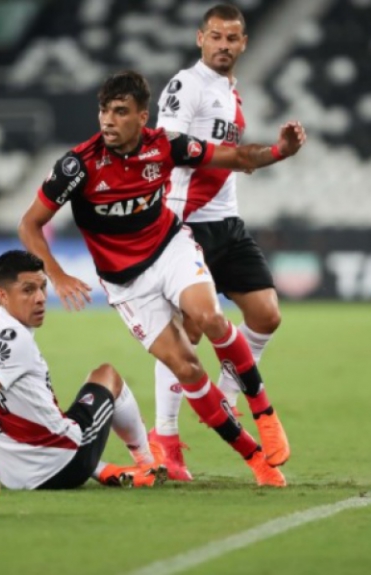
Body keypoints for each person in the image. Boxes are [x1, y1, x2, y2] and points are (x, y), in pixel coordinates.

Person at [18, 70, 305, 487]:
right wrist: (57, 275)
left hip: (170, 249)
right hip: (126, 285)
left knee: (209, 318)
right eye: (103, 111)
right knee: (186, 367)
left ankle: (263, 410)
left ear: (141, 116)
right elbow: (29, 223)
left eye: (119, 112)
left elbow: (237, 159)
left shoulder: (165, 146)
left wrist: (280, 150)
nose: (107, 121)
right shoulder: (78, 164)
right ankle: (255, 459)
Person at [150, 3, 292, 481]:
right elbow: (168, 147)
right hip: (185, 223)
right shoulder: (185, 86)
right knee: (185, 334)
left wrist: (265, 155)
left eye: (232, 39)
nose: (224, 46)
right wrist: (243, 156)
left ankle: (227, 396)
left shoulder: (231, 92)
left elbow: (229, 156)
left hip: (227, 222)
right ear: (200, 39)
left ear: (244, 43)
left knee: (266, 313)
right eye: (216, 37)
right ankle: (165, 437)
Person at [0, 249, 166, 490]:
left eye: (42, 287)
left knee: (45, 413)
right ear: (2, 295)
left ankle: (104, 469)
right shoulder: (15, 337)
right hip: (62, 466)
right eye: (28, 290)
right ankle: (148, 460)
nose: (40, 298)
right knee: (106, 375)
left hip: (10, 475)